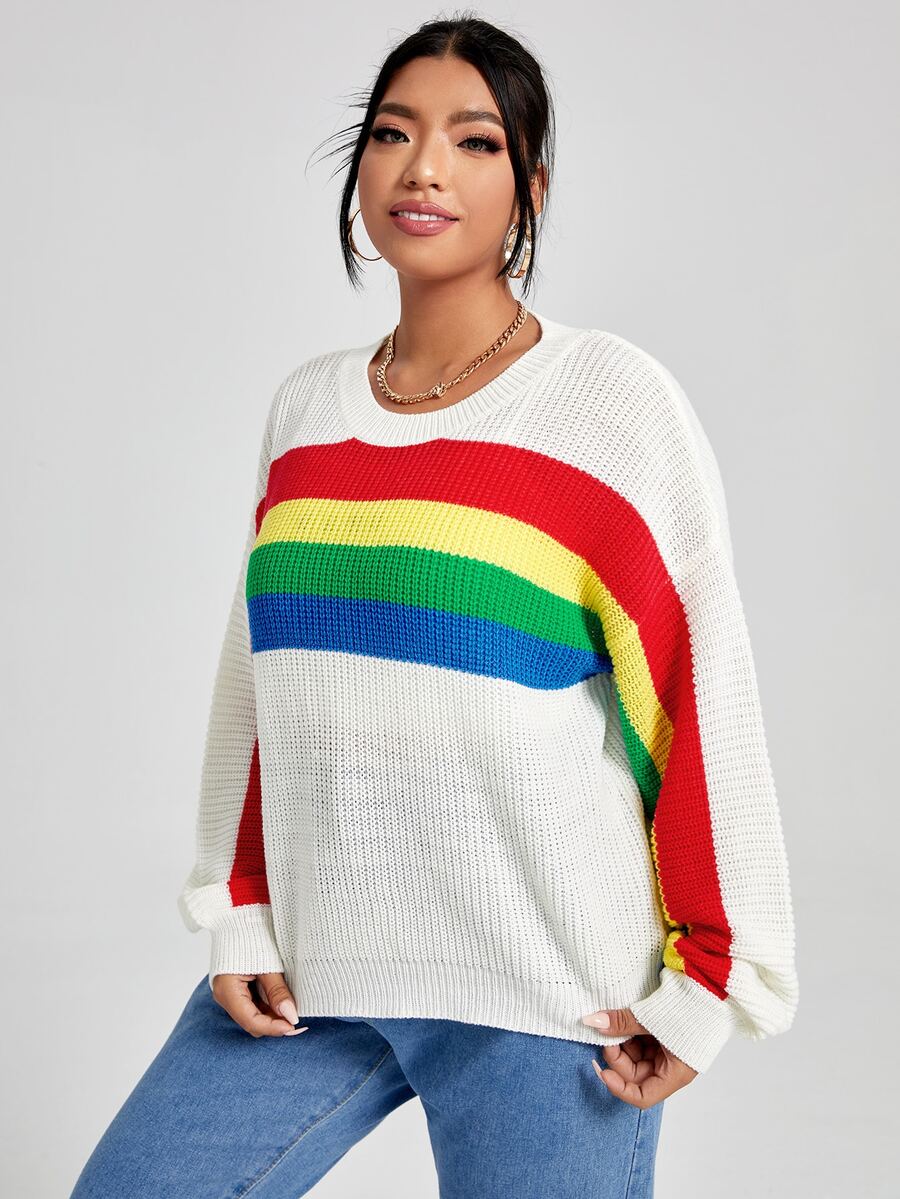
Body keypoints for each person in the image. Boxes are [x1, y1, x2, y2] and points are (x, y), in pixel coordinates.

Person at [69, 13, 798, 1199]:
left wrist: (713, 976)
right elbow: (262, 680)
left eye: (475, 141)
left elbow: (693, 684)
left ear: (531, 189)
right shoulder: (307, 408)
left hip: (550, 994)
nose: (423, 169)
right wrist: (241, 907)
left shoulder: (609, 402)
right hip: (313, 971)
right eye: (393, 134)